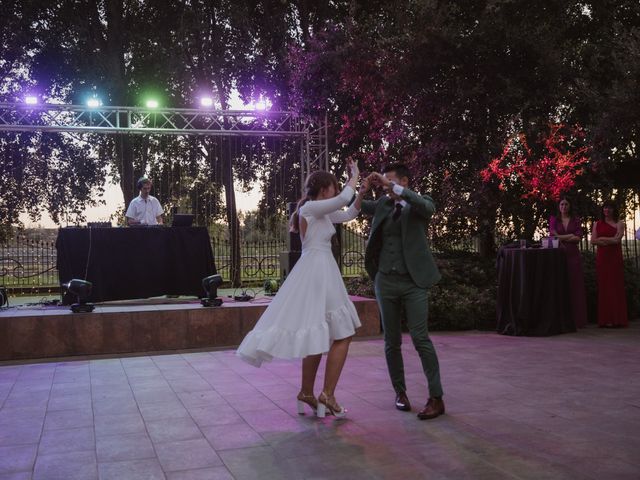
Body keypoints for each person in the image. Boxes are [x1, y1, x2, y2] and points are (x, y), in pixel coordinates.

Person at [237, 160, 367, 418]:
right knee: (343, 332)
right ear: (324, 189)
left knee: (319, 334)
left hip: (319, 269)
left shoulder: (318, 211)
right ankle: (327, 395)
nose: (335, 190)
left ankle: (307, 392)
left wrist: (360, 194)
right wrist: (354, 176)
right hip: (319, 271)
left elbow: (349, 213)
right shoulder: (311, 208)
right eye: (332, 186)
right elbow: (343, 198)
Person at [360, 163, 444, 420]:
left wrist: (391, 187)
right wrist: (361, 188)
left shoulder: (420, 203)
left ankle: (436, 398)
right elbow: (359, 207)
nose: (385, 187)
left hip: (413, 282)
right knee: (391, 341)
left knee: (421, 338)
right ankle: (400, 392)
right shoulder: (384, 205)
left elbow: (429, 208)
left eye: (391, 182)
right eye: (384, 183)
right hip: (385, 281)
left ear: (404, 181)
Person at [549, 197, 588, 328]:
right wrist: (568, 236)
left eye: (566, 204)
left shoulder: (576, 220)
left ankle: (577, 319)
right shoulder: (554, 220)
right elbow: (553, 236)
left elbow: (577, 238)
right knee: (561, 284)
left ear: (569, 206)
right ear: (558, 206)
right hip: (559, 254)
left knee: (575, 285)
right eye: (562, 204)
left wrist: (562, 237)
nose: (564, 207)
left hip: (573, 254)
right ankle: (562, 319)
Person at [591, 201, 628, 327]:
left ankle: (617, 319)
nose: (607, 210)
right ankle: (605, 320)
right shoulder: (596, 224)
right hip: (602, 258)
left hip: (615, 258)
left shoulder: (620, 223)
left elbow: (617, 240)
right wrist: (609, 240)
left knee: (615, 286)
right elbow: (593, 241)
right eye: (605, 207)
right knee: (604, 287)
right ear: (602, 210)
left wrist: (602, 239)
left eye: (610, 208)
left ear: (614, 210)